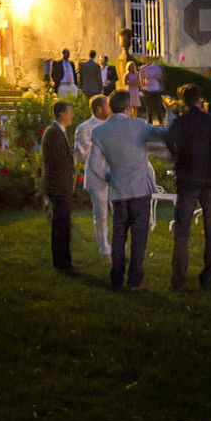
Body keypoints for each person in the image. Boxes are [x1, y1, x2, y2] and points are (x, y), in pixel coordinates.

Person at [89, 90, 164, 291]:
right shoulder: (139, 125)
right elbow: (160, 139)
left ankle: (116, 278)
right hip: (140, 190)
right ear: (127, 107)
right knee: (139, 238)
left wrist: (109, 177)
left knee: (119, 235)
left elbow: (95, 165)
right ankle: (135, 281)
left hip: (118, 190)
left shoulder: (99, 131)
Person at [163, 84, 211, 292]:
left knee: (182, 230)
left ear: (183, 101)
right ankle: (208, 276)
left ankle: (178, 278)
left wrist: (177, 157)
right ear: (200, 99)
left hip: (188, 179)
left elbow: (168, 138)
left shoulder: (182, 122)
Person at [41, 101, 81, 275]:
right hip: (58, 186)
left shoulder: (59, 132)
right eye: (70, 112)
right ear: (62, 114)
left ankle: (64, 261)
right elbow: (57, 161)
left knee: (63, 224)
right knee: (61, 225)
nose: (72, 115)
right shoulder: (54, 133)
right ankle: (62, 263)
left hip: (61, 185)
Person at [73, 94, 113, 259]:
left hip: (115, 176)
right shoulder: (85, 127)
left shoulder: (113, 125)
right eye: (108, 106)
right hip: (97, 178)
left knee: (119, 214)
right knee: (101, 215)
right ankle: (104, 248)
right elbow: (83, 154)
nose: (111, 109)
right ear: (99, 109)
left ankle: (118, 246)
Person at [137, 58, 165, 124]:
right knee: (149, 106)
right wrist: (142, 86)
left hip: (155, 88)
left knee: (157, 105)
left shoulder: (156, 67)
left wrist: (154, 76)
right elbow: (140, 77)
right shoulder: (143, 68)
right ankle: (150, 121)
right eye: (146, 59)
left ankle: (160, 120)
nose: (148, 60)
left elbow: (160, 76)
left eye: (149, 59)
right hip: (147, 89)